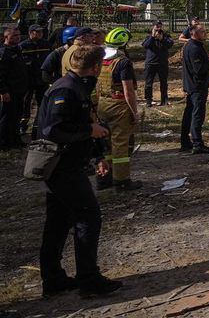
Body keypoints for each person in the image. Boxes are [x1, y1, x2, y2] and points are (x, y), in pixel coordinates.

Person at [38, 43, 122, 298]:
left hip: (70, 165)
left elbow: (85, 123)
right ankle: (88, 279)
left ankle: (53, 279)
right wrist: (89, 132)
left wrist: (97, 156)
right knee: (88, 217)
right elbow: (51, 130)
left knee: (58, 222)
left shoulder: (78, 87)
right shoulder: (65, 89)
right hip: (62, 168)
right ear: (95, 67)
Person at [95, 28, 141, 191]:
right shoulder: (123, 62)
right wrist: (134, 112)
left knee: (105, 142)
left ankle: (103, 178)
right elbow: (128, 90)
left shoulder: (101, 59)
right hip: (119, 105)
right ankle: (121, 180)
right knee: (120, 143)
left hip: (102, 104)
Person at [180, 23, 209, 154]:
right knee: (197, 115)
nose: (205, 34)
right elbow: (199, 70)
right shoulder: (194, 48)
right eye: (202, 32)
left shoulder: (191, 46)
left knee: (189, 113)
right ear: (194, 33)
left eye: (205, 31)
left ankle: (185, 142)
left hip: (191, 85)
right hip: (197, 86)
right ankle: (197, 144)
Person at [20, 24, 51, 138]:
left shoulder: (46, 44)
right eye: (37, 32)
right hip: (27, 80)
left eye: (41, 32)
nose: (40, 34)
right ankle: (23, 125)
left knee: (42, 103)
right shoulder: (23, 46)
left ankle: (38, 126)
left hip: (41, 80)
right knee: (25, 103)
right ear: (31, 33)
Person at [0, 26, 28, 149]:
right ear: (6, 37)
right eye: (14, 36)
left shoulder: (17, 49)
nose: (17, 38)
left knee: (17, 116)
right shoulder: (4, 53)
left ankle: (15, 139)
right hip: (9, 91)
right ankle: (3, 142)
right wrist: (3, 91)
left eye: (18, 35)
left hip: (19, 90)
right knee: (6, 118)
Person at [141, 21, 174, 106]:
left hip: (162, 63)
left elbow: (170, 44)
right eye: (156, 26)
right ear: (153, 27)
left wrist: (162, 39)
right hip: (151, 63)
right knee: (148, 82)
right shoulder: (148, 36)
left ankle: (164, 100)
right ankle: (148, 100)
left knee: (163, 82)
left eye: (159, 26)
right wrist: (152, 37)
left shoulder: (165, 35)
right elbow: (145, 45)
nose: (158, 28)